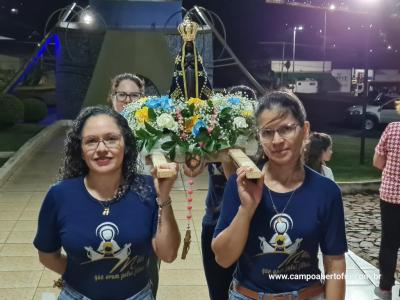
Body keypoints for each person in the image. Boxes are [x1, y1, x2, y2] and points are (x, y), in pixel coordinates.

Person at [33, 106, 180, 300]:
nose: (102, 149)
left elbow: (168, 254)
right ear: (81, 149)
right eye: (91, 141)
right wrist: (84, 277)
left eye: (111, 139)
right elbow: (47, 256)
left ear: (126, 144)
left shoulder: (147, 189)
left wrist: (164, 198)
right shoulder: (60, 195)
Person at [212, 90, 347, 300]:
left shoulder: (326, 191)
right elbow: (223, 258)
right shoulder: (241, 185)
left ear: (305, 130)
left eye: (286, 129)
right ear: (259, 136)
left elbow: (335, 262)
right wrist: (246, 209)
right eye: (267, 132)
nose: (276, 140)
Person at [183, 86, 257, 300]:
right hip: (215, 221)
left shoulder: (256, 146)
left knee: (246, 288)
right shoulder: (214, 136)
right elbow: (192, 168)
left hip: (250, 224)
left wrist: (232, 150)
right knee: (218, 293)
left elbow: (236, 181)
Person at [108, 73, 160, 297]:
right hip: (106, 213)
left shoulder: (155, 131)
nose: (127, 101)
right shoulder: (99, 130)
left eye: (134, 95)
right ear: (112, 97)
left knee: (146, 273)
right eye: (122, 95)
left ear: (142, 98)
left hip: (144, 213)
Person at [373, 121, 400, 300]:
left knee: (389, 243)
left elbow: (377, 161)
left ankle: (385, 288)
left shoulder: (393, 128)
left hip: (390, 196)